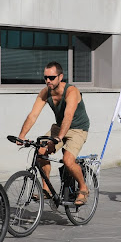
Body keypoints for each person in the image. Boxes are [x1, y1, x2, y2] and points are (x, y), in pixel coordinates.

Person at [18, 61, 90, 205]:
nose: (48, 81)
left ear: (60, 77)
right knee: (40, 151)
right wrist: (22, 136)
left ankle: (83, 188)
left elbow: (68, 115)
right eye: (45, 78)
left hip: (78, 128)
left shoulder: (71, 91)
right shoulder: (45, 92)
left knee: (68, 161)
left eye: (51, 77)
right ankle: (47, 190)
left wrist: (59, 138)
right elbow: (33, 115)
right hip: (59, 127)